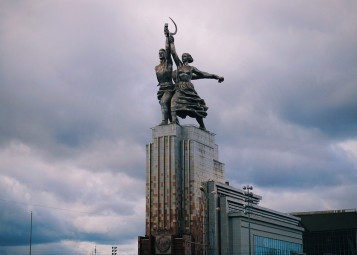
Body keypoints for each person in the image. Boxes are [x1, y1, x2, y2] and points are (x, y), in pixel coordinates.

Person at [168, 37, 224, 130]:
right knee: (173, 103)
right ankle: (174, 123)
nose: (183, 57)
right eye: (182, 56)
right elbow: (174, 53)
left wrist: (216, 76)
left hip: (188, 88)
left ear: (189, 58)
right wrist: (172, 42)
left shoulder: (191, 68)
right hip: (179, 88)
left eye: (185, 56)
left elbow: (203, 74)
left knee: (195, 107)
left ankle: (202, 126)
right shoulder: (179, 65)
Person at [154, 25, 176, 125]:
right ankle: (174, 122)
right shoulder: (157, 67)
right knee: (164, 105)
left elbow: (168, 49)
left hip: (169, 88)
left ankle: (164, 121)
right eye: (159, 53)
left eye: (162, 53)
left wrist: (166, 36)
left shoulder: (168, 63)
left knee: (164, 102)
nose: (160, 54)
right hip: (161, 89)